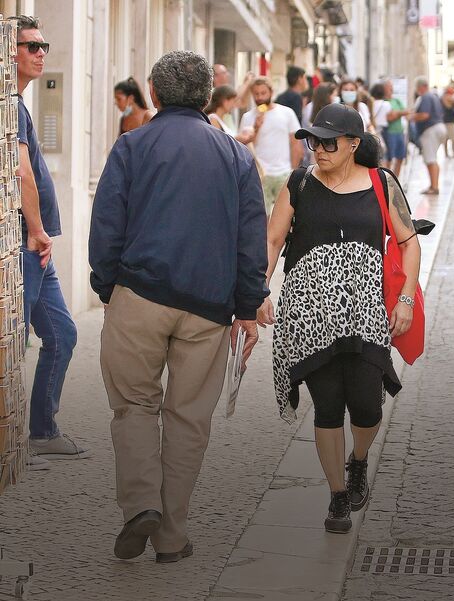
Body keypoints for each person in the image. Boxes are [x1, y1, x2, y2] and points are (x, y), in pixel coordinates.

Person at [90, 50, 268, 563]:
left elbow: (107, 225)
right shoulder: (235, 155)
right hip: (208, 306)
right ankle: (171, 536)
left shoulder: (132, 145)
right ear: (207, 97)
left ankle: (141, 503)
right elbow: (248, 239)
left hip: (139, 295)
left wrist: (108, 287)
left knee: (134, 405)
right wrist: (246, 307)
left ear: (155, 91)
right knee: (189, 418)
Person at [259, 104, 419, 533]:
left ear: (353, 144)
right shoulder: (298, 185)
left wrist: (404, 299)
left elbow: (408, 242)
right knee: (328, 407)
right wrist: (258, 290)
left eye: (328, 142)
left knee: (367, 406)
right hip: (310, 316)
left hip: (367, 313)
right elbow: (273, 241)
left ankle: (359, 460)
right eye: (313, 141)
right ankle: (336, 496)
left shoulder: (381, 183)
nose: (318, 150)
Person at [11, 16, 85, 470]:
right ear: (9, 52)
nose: (41, 53)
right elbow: (22, 174)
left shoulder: (18, 104)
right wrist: (37, 230)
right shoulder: (10, 106)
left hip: (34, 246)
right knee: (13, 346)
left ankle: (41, 432)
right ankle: (16, 441)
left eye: (44, 45)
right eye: (31, 45)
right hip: (25, 243)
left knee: (62, 334)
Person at [238, 77, 303, 215]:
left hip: (283, 172)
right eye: (256, 94)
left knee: (285, 215)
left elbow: (295, 144)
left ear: (271, 92)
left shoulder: (286, 113)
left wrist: (293, 171)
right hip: (261, 175)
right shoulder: (248, 117)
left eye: (263, 93)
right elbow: (246, 147)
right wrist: (256, 127)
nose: (260, 97)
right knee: (262, 215)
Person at [411, 77, 447, 194]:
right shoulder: (433, 96)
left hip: (430, 129)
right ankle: (433, 185)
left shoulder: (425, 97)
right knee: (432, 158)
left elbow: (425, 115)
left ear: (421, 87)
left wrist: (412, 117)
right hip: (439, 127)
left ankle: (434, 187)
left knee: (430, 159)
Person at [382, 79, 409, 177]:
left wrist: (396, 113)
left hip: (400, 132)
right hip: (389, 132)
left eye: (391, 86)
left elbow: (406, 112)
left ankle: (395, 177)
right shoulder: (383, 102)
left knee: (400, 157)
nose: (391, 89)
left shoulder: (396, 100)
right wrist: (399, 113)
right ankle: (387, 178)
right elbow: (389, 117)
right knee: (389, 158)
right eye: (389, 87)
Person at [442, 84, 454, 158]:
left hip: (449, 120)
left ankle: (449, 153)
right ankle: (449, 153)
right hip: (448, 121)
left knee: (449, 138)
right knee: (450, 138)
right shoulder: (446, 97)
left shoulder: (446, 96)